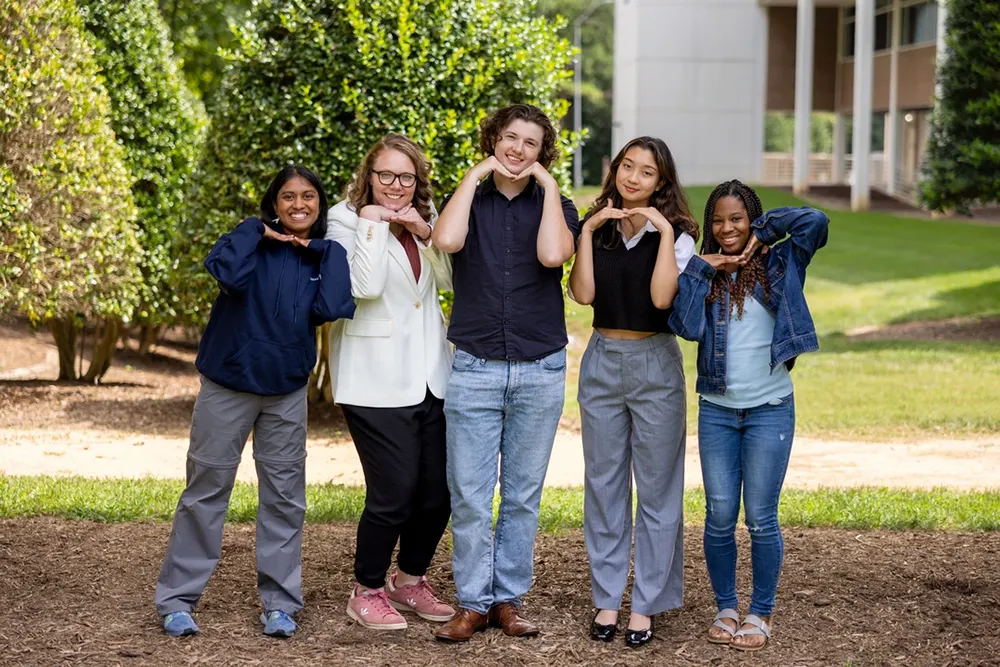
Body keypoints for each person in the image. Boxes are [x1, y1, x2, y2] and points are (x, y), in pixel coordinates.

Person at [154, 166, 356, 639]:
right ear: (274, 203)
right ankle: (178, 601)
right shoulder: (249, 244)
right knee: (205, 494)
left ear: (320, 205)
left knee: (286, 501)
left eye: (309, 196)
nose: (299, 205)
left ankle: (280, 605)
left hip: (285, 393)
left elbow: (333, 305)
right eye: (288, 197)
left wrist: (327, 250)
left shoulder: (321, 256)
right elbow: (225, 272)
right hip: (227, 388)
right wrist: (252, 229)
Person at [430, 104, 580, 642]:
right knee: (470, 493)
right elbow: (446, 241)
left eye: (531, 144)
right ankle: (471, 602)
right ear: (493, 138)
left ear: (544, 153)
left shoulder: (556, 203)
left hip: (540, 366)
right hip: (474, 365)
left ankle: (508, 601)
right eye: (510, 138)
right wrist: (475, 175)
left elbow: (551, 256)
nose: (518, 150)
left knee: (520, 494)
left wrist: (547, 184)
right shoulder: (469, 194)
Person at [668, 181, 829, 652]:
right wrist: (702, 268)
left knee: (760, 517)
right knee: (719, 516)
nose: (727, 228)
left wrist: (765, 229)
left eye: (737, 218)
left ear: (751, 219)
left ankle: (759, 613)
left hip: (770, 408)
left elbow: (814, 222)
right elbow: (686, 326)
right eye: (718, 220)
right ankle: (726, 606)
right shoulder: (706, 272)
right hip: (717, 410)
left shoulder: (781, 263)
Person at [567, 136, 698, 648]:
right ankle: (606, 599)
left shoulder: (680, 234)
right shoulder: (596, 228)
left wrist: (663, 232)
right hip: (601, 361)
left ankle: (645, 604)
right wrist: (587, 232)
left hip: (655, 365)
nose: (634, 178)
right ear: (616, 169)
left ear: (661, 182)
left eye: (647, 172)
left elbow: (663, 298)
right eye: (628, 166)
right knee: (603, 484)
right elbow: (582, 294)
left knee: (658, 488)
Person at [325, 134, 455, 631]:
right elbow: (364, 287)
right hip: (372, 378)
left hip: (430, 375)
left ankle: (410, 580)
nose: (397, 186)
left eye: (407, 177)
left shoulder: (424, 216)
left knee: (438, 491)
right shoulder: (343, 218)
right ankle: (367, 589)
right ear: (369, 176)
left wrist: (426, 232)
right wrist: (373, 224)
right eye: (386, 176)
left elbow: (448, 282)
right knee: (394, 490)